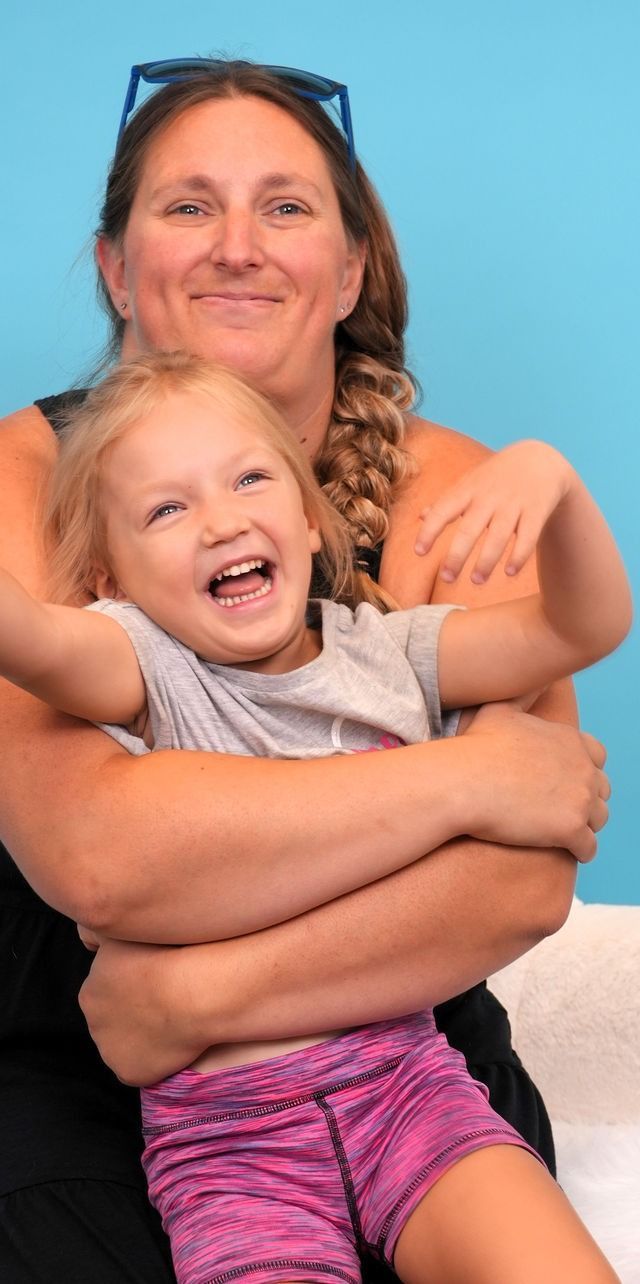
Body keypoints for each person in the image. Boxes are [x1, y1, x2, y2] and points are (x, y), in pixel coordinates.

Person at [0, 59, 612, 1284]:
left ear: (349, 272)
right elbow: (103, 857)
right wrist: (471, 779)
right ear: (117, 265)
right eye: (187, 207)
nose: (237, 246)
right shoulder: (29, 480)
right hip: (89, 1089)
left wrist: (194, 999)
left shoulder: (460, 492)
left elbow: (518, 885)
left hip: (411, 1076)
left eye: (284, 206)